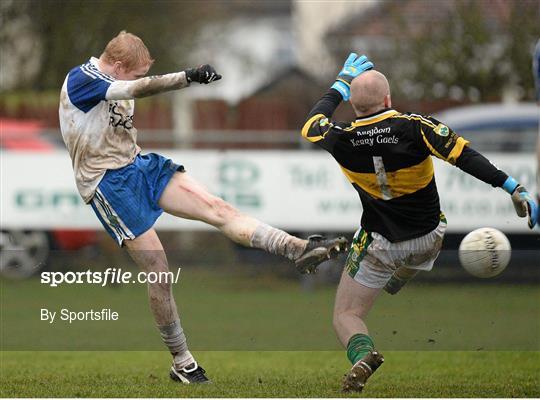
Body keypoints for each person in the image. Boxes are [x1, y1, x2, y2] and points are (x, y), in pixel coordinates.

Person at [59, 31, 348, 384]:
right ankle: (182, 361)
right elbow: (132, 89)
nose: (137, 79)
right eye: (135, 73)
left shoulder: (117, 77)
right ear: (118, 67)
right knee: (159, 271)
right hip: (107, 183)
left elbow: (131, 88)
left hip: (138, 166)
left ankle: (298, 249)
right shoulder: (81, 79)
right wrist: (187, 77)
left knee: (217, 208)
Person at [300, 53, 538, 392]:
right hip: (429, 236)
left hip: (381, 245)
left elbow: (310, 125)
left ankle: (363, 356)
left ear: (353, 106)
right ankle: (402, 276)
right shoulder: (415, 127)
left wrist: (340, 84)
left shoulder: (342, 137)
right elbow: (465, 156)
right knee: (430, 231)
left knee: (346, 315)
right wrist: (513, 187)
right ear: (388, 99)